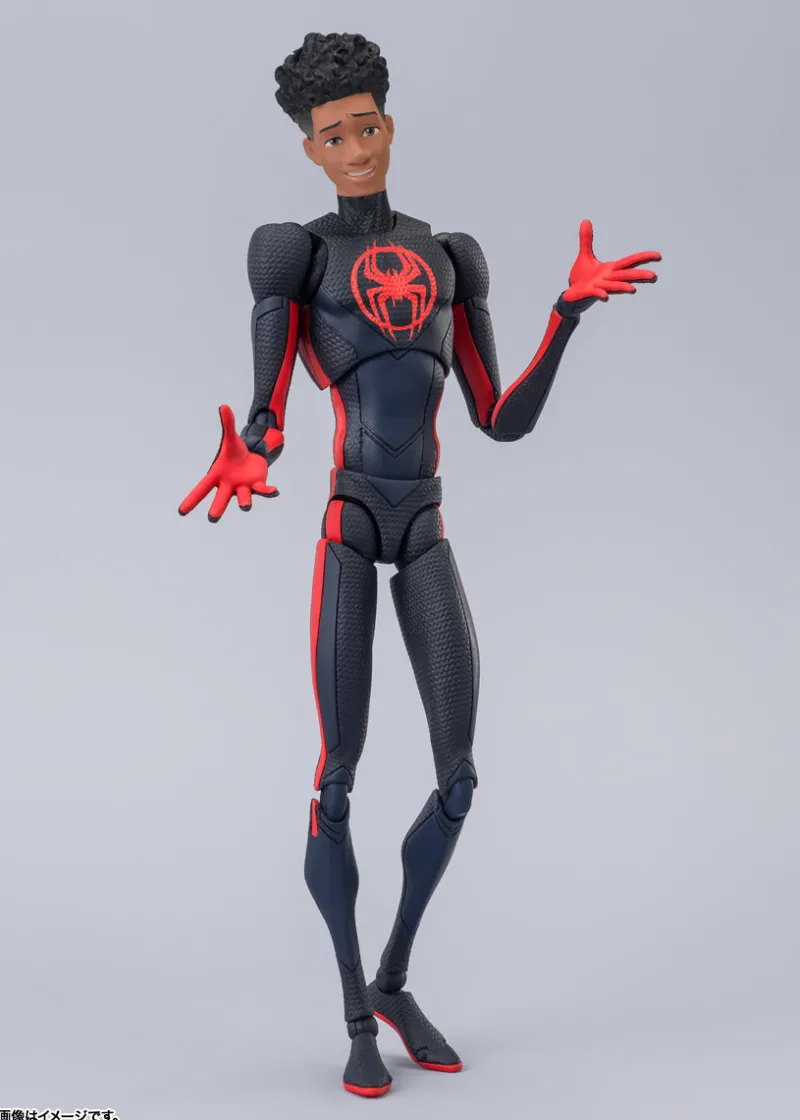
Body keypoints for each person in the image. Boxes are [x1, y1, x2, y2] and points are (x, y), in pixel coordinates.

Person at [179, 31, 661, 1098]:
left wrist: (565, 316)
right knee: (337, 777)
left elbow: (500, 417)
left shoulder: (449, 257)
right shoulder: (295, 254)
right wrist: (251, 449)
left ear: (389, 124)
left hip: (426, 522)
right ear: (309, 149)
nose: (355, 149)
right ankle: (355, 1013)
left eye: (367, 127)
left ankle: (393, 978)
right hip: (352, 523)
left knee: (458, 780)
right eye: (332, 136)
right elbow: (267, 408)